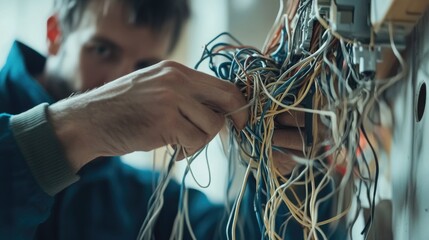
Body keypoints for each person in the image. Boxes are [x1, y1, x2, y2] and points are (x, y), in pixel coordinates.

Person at [0, 0, 337, 239]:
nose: (120, 81)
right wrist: (82, 126)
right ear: (55, 33)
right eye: (103, 50)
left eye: (143, 67)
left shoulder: (140, 200)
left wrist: (285, 177)